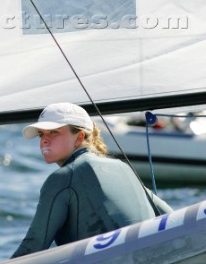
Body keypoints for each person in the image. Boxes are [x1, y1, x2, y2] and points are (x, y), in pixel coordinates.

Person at [11, 102, 172, 258]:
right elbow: (171, 217)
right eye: (41, 134)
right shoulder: (123, 167)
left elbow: (33, 246)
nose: (44, 140)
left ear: (79, 137)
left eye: (54, 132)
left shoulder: (63, 178)